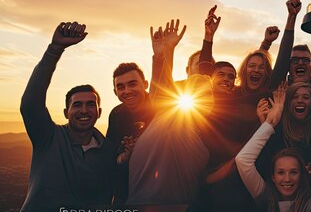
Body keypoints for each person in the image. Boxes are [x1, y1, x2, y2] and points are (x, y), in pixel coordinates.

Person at [20, 21, 116, 210]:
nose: (84, 110)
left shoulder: (108, 150)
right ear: (66, 112)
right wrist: (54, 50)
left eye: (90, 104)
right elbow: (30, 104)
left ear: (99, 113)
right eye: (77, 105)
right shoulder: (48, 137)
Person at [127, 19, 211, 206]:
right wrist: (163, 54)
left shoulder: (211, 109)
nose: (203, 71)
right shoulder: (176, 105)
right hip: (141, 197)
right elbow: (162, 91)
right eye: (198, 65)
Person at [236, 85, 311, 212]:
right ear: (273, 177)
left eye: (294, 172)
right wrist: (269, 123)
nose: (287, 179)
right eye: (281, 172)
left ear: (302, 175)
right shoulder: (265, 196)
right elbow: (243, 160)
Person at [107, 62, 154, 204]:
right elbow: (111, 155)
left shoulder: (161, 108)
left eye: (132, 84)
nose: (126, 91)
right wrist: (123, 157)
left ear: (145, 84)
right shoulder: (116, 114)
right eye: (120, 87)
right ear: (115, 92)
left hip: (158, 192)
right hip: (126, 194)